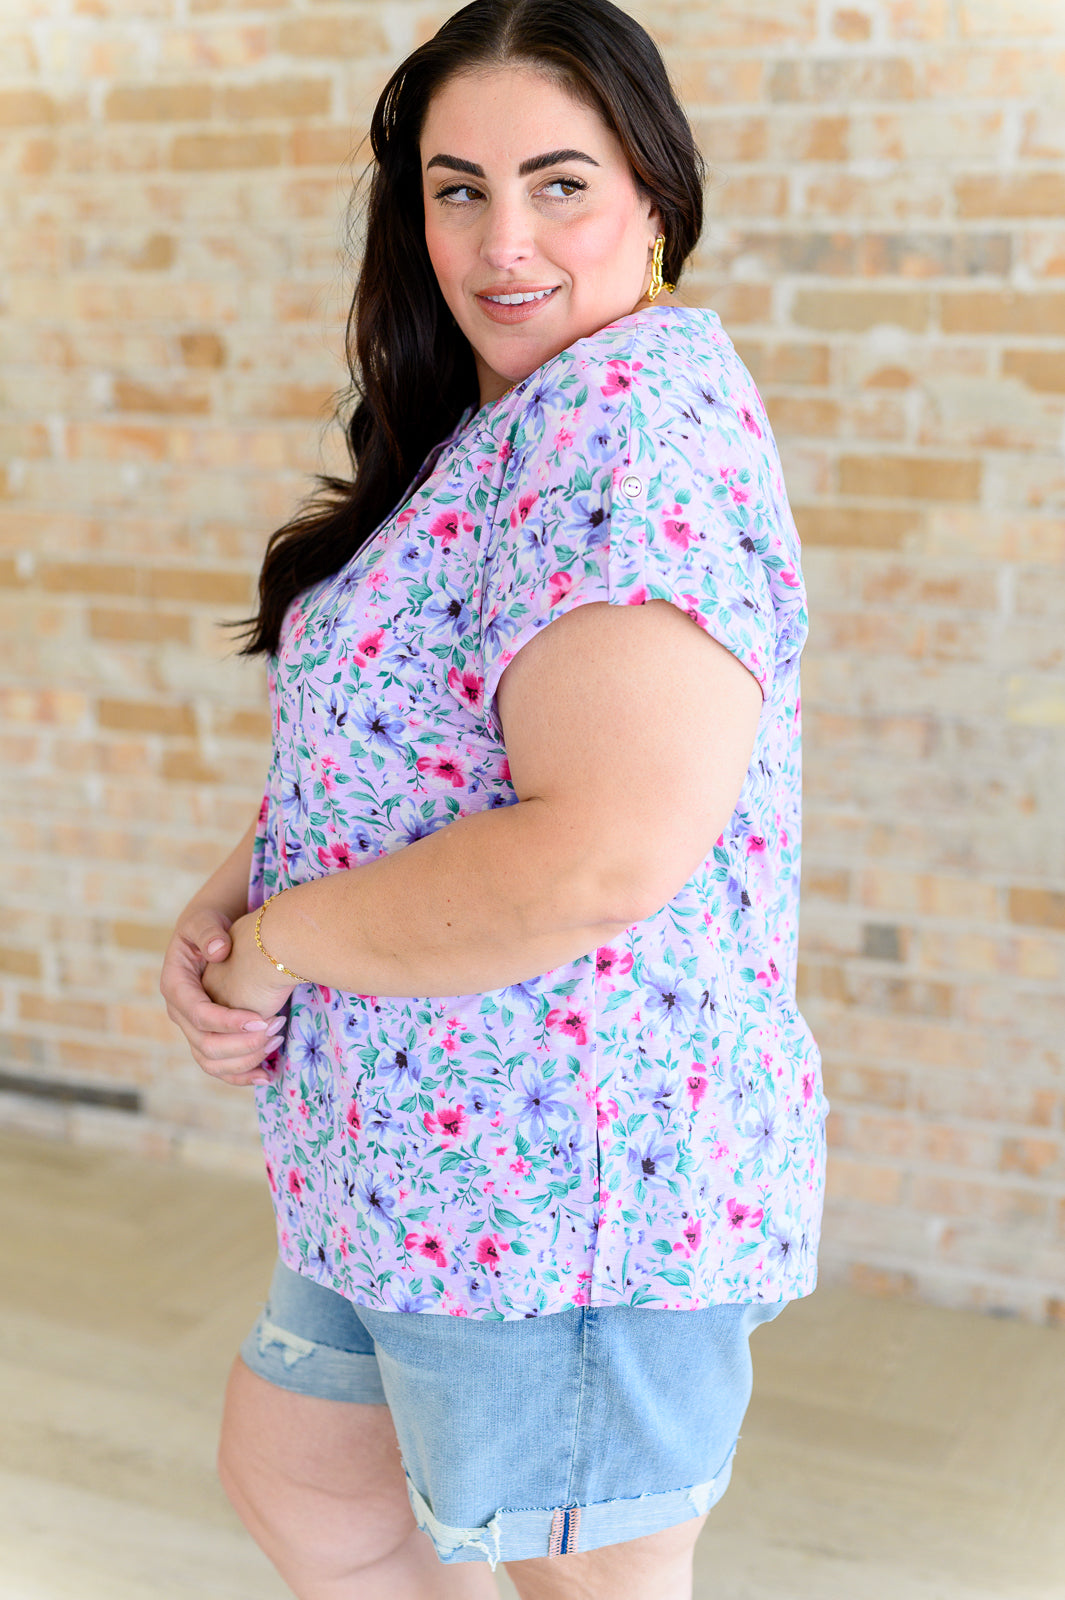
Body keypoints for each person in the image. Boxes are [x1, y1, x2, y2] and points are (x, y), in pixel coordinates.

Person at [160, 1, 827, 1595]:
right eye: (458, 189)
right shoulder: (511, 421)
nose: (501, 239)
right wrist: (235, 884)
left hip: (560, 1194)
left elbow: (596, 853)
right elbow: (414, 740)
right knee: (303, 1472)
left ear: (651, 197)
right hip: (414, 1168)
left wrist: (280, 946)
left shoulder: (631, 430)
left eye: (558, 184)